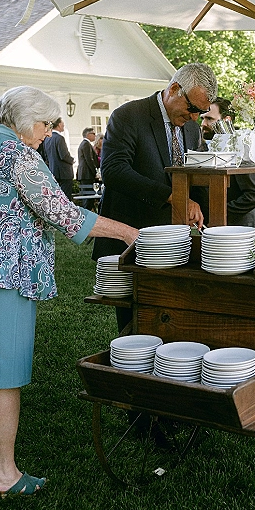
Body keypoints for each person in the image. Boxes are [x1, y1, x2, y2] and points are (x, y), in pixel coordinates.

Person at [0, 86, 138, 499]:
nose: (48, 133)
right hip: (3, 275)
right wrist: (125, 232)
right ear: (25, 120)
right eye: (45, 124)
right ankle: (4, 475)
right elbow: (62, 212)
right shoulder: (17, 154)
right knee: (2, 375)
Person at [93, 63, 217, 332]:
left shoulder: (192, 129)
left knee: (171, 320)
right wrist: (172, 196)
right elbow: (114, 170)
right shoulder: (128, 115)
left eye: (202, 112)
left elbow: (196, 174)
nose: (196, 118)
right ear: (173, 89)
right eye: (192, 109)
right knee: (133, 325)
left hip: (175, 241)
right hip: (132, 235)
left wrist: (202, 211)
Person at [200, 97, 255, 229]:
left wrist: (219, 213)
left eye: (209, 119)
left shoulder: (241, 144)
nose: (203, 124)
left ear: (227, 120)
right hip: (217, 227)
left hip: (242, 228)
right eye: (202, 118)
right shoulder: (205, 145)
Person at [44, 117, 75, 199]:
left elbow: (46, 156)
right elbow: (63, 155)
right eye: (62, 123)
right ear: (58, 124)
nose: (63, 125)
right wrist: (72, 160)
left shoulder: (47, 139)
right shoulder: (59, 138)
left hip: (53, 171)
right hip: (64, 173)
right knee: (66, 198)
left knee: (57, 198)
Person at [77, 127, 100, 209]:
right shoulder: (86, 144)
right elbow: (89, 160)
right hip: (86, 175)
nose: (95, 135)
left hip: (86, 174)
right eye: (93, 134)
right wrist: (95, 173)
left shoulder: (85, 144)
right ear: (88, 135)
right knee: (88, 198)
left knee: (88, 198)